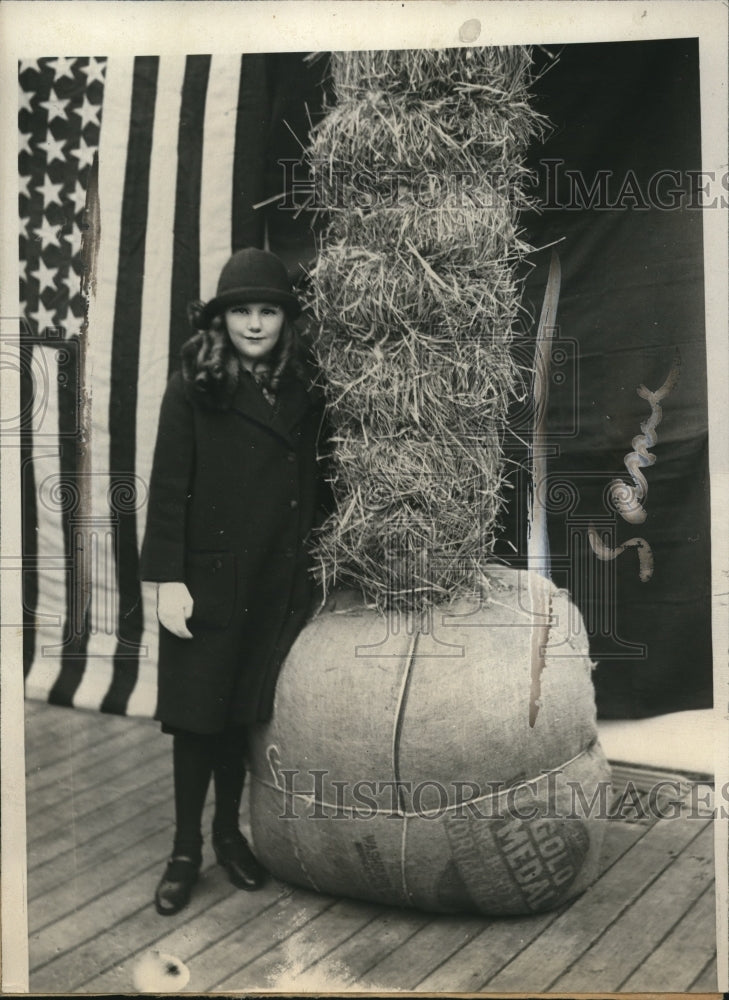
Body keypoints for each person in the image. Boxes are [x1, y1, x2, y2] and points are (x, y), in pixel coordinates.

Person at [140, 247, 329, 916]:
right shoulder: (194, 384)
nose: (254, 324)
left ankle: (228, 835)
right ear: (220, 320)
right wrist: (166, 579)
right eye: (241, 311)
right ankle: (185, 849)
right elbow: (168, 488)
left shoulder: (306, 387)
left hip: (276, 581)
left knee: (240, 714)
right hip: (207, 582)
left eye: (267, 311)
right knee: (197, 719)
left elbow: (317, 483)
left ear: (285, 318)